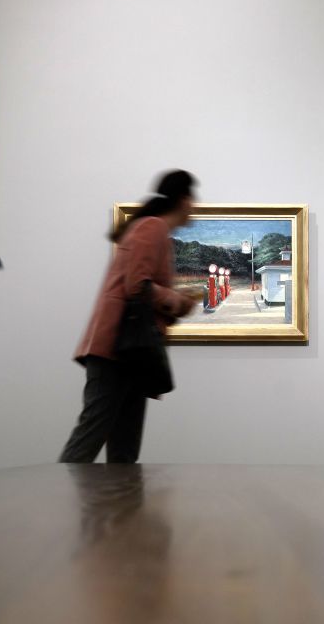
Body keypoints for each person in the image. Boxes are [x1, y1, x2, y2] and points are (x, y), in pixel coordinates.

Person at [59, 171, 199, 463]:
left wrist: (175, 303)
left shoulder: (149, 228)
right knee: (92, 439)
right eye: (194, 199)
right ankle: (63, 505)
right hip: (119, 351)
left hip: (128, 352)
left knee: (121, 448)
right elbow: (138, 285)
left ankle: (120, 509)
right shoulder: (153, 227)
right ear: (184, 200)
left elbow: (140, 286)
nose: (196, 206)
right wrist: (177, 301)